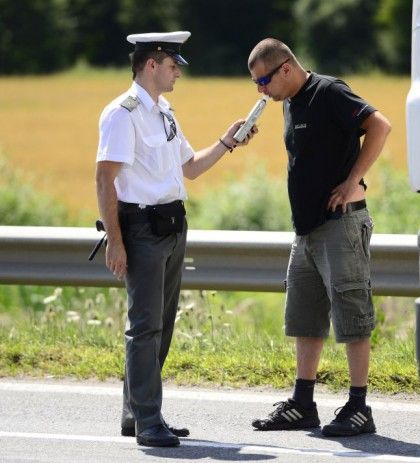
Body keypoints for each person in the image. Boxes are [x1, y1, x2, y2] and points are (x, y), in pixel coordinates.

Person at [95, 31, 256, 447]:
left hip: (172, 226)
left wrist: (227, 141)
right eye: (172, 66)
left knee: (160, 327)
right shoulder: (122, 113)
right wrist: (115, 241)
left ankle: (138, 413)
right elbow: (104, 179)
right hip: (143, 229)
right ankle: (149, 421)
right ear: (152, 64)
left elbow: (191, 168)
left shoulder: (164, 112)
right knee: (145, 328)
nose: (177, 74)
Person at [247, 38, 391, 437]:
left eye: (263, 80)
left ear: (286, 69)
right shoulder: (290, 102)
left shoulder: (328, 91)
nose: (261, 90)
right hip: (307, 229)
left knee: (351, 314)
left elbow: (379, 125)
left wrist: (350, 181)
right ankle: (302, 404)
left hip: (341, 223)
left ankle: (359, 407)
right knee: (305, 317)